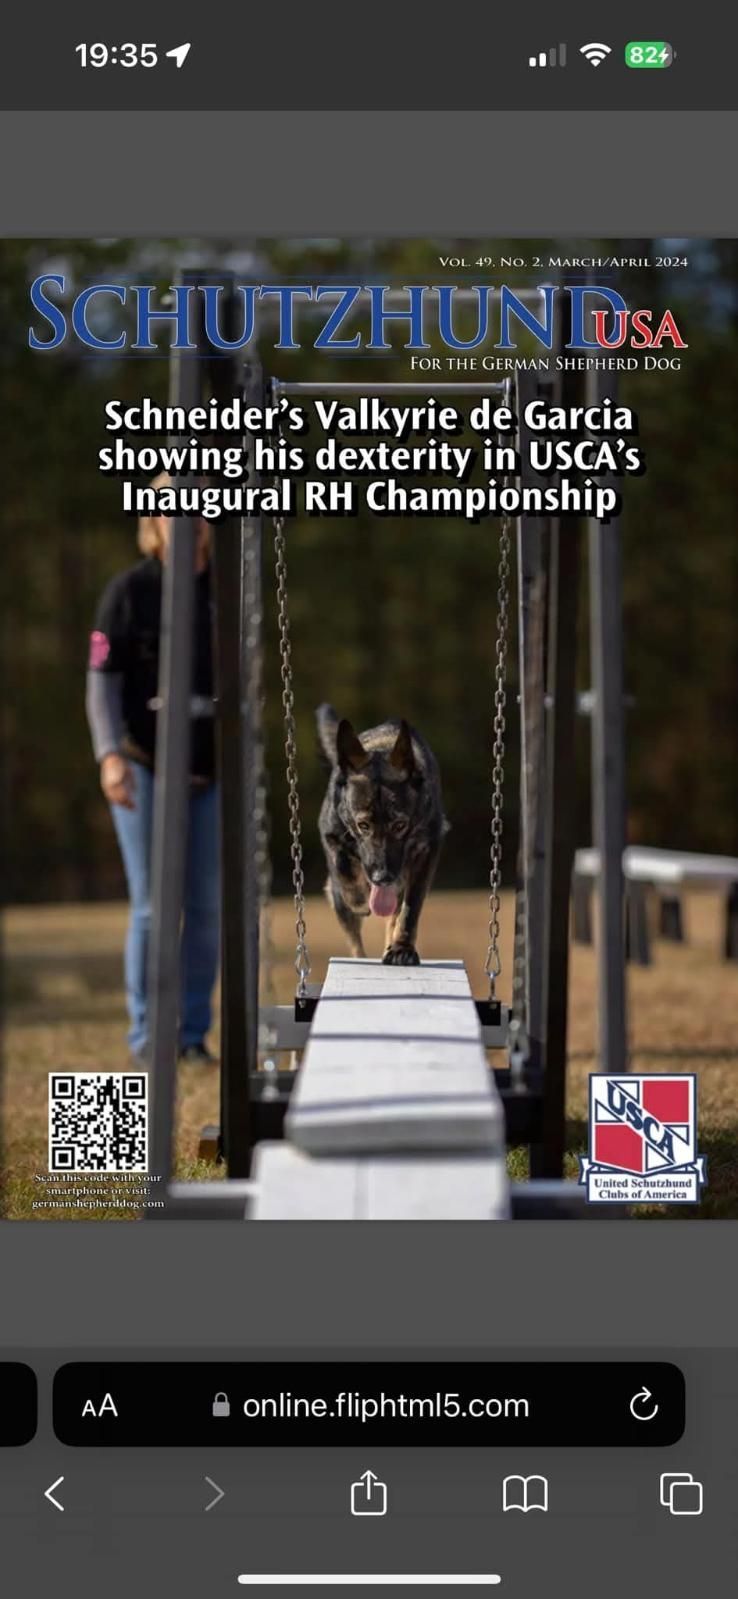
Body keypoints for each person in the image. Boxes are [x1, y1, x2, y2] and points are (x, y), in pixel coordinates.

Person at [86, 479, 219, 1063]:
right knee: (152, 907)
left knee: (207, 909)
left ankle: (192, 1037)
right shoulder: (126, 592)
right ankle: (147, 1037)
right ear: (154, 521)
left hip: (211, 776)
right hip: (143, 767)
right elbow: (100, 681)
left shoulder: (226, 590)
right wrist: (108, 755)